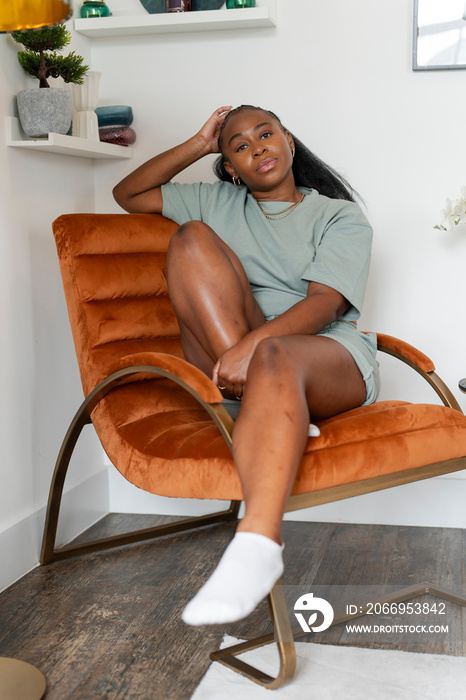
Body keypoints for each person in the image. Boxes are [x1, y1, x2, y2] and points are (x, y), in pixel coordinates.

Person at [113, 105, 380, 626]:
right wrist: (198, 143)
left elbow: (325, 305)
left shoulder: (339, 216)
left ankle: (257, 542)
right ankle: (273, 403)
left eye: (266, 134)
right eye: (239, 145)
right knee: (189, 236)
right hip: (229, 351)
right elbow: (128, 196)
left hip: (325, 353)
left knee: (276, 353)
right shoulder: (217, 201)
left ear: (289, 143)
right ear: (230, 165)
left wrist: (254, 350)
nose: (257, 147)